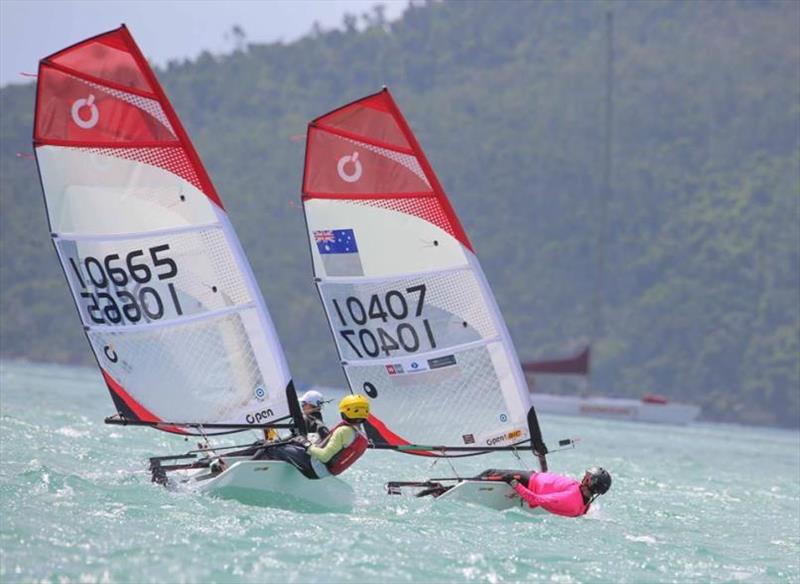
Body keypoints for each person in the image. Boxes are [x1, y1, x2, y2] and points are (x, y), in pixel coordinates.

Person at [252, 394, 370, 480]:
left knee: (270, 446)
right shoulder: (361, 436)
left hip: (314, 467)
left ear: (345, 411)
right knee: (281, 447)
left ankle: (249, 470)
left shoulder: (344, 431)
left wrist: (305, 444)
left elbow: (324, 457)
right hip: (324, 472)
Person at [476, 466, 612, 517]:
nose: (584, 477)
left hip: (529, 482)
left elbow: (535, 500)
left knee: (490, 472)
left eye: (587, 477)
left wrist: (513, 483)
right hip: (533, 478)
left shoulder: (570, 498)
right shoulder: (584, 504)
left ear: (590, 483)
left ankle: (456, 486)